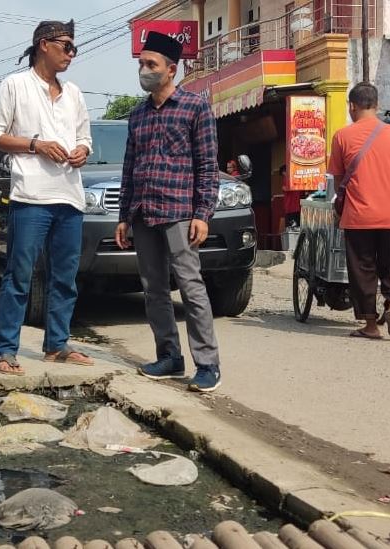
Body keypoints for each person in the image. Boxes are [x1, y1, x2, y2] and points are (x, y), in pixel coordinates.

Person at [0, 19, 94, 376]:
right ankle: (5, 350)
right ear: (44, 44)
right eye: (66, 46)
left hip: (70, 197)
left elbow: (86, 138)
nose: (71, 54)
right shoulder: (15, 85)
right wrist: (35, 145)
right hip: (30, 195)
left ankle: (57, 345)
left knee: (65, 277)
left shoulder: (74, 93)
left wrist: (81, 150)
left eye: (74, 48)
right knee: (20, 275)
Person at [115, 32, 222, 393]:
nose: (144, 70)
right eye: (141, 64)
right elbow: (129, 167)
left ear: (171, 69)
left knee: (191, 286)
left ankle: (207, 364)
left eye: (151, 65)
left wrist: (203, 213)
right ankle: (169, 357)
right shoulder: (137, 114)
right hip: (144, 212)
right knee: (154, 289)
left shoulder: (195, 107)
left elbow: (208, 164)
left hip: (179, 211)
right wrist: (124, 217)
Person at [329, 82, 390, 339]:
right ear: (377, 106)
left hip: (359, 217)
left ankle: (370, 326)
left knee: (363, 269)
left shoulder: (342, 136)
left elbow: (338, 179)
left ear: (352, 106)